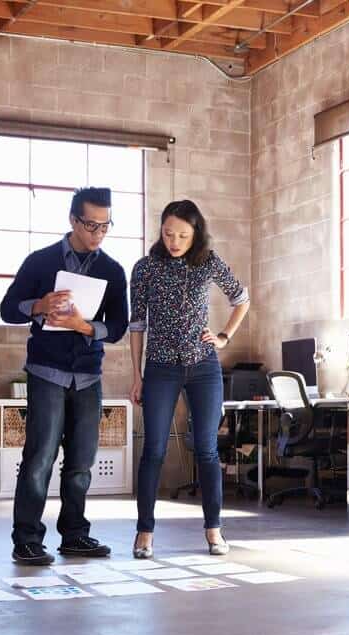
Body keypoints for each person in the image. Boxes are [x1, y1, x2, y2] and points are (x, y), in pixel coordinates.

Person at [0, 187, 128, 566]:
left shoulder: (112, 271)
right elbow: (8, 309)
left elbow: (118, 326)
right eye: (91, 225)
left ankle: (74, 535)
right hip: (47, 373)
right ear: (73, 220)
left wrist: (83, 326)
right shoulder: (40, 262)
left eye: (105, 227)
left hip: (88, 376)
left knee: (81, 462)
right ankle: (26, 539)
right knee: (39, 457)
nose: (97, 234)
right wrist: (39, 306)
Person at [129, 199, 250, 558]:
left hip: (203, 367)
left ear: (195, 233)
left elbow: (241, 299)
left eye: (183, 234)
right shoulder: (145, 268)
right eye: (168, 233)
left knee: (208, 449)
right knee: (154, 449)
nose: (175, 241)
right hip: (161, 368)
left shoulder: (208, 262)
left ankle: (214, 531)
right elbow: (137, 325)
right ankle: (144, 534)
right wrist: (136, 375)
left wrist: (225, 336)